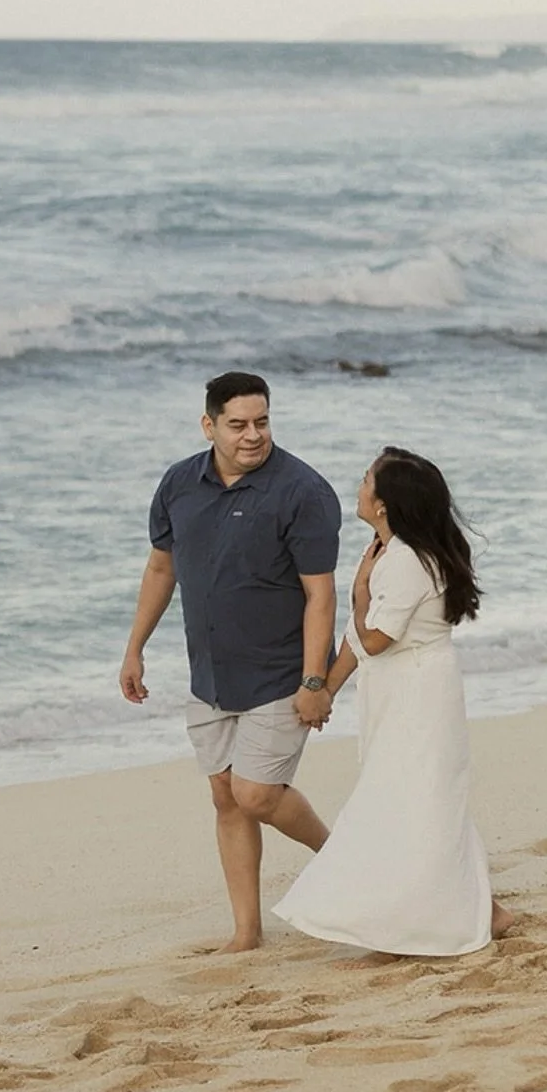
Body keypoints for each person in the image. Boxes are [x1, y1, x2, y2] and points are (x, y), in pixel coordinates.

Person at [120, 372, 341, 952]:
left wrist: (315, 681)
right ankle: (247, 931)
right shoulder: (178, 484)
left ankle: (341, 854)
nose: (253, 436)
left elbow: (321, 594)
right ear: (209, 425)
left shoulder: (303, 492)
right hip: (210, 676)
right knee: (225, 796)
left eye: (262, 422)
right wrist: (134, 648)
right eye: (238, 424)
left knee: (256, 794)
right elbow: (161, 569)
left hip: (279, 672)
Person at [273, 446, 512, 955]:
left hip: (417, 689)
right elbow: (361, 642)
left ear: (383, 502)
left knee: (414, 798)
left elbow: (375, 638)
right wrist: (325, 690)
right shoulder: (388, 548)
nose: (358, 486)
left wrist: (358, 596)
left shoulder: (406, 559)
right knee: (422, 796)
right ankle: (486, 911)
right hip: (402, 686)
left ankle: (414, 921)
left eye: (366, 479)